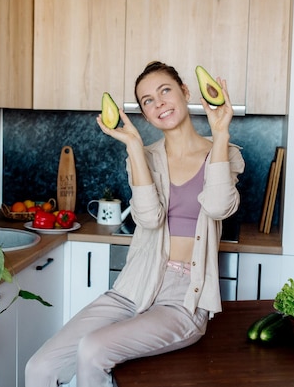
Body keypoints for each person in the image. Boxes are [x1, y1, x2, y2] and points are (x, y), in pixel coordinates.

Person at [25, 61, 245, 387]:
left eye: (165, 91)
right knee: (40, 367)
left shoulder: (226, 153)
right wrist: (134, 147)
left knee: (93, 349)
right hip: (134, 286)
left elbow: (218, 207)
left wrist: (221, 132)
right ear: (144, 114)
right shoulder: (145, 156)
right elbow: (149, 218)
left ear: (185, 92)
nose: (159, 103)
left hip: (183, 298)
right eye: (147, 101)